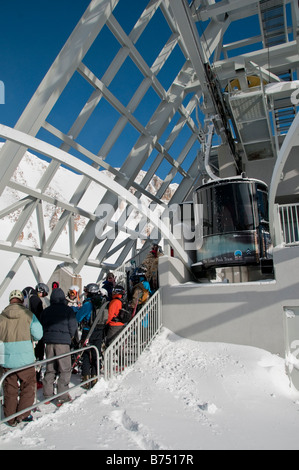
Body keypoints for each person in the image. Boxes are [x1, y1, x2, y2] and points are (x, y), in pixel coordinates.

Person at [0, 289, 43, 426]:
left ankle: (10, 418)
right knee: (28, 386)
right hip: (25, 359)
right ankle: (23, 414)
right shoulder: (28, 315)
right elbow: (38, 334)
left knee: (10, 389)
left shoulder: (1, 317)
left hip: (6, 359)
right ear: (22, 300)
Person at [40, 288, 78, 406]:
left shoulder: (46, 311)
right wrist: (69, 337)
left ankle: (47, 395)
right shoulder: (68, 310)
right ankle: (62, 395)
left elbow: (42, 324)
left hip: (49, 342)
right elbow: (73, 326)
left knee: (50, 368)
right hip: (63, 342)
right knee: (64, 368)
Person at [75, 283, 107, 388]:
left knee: (85, 354)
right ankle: (95, 377)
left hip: (88, 331)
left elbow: (78, 318)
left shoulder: (88, 304)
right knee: (96, 354)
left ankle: (86, 378)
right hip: (99, 331)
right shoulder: (102, 302)